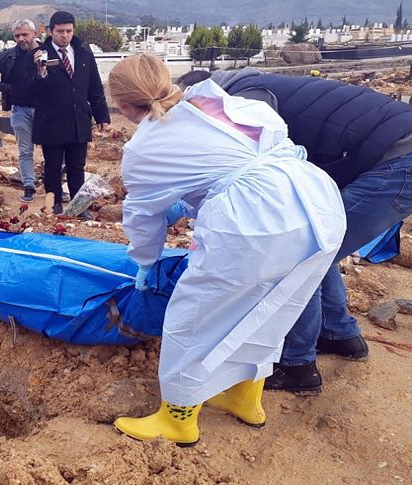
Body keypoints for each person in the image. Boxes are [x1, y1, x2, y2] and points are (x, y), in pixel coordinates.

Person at [109, 54, 346, 446]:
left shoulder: (145, 144)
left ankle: (178, 419)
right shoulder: (220, 101)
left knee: (194, 315)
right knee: (273, 306)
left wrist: (145, 262)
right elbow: (236, 158)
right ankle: (244, 398)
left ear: (121, 103)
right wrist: (191, 202)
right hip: (315, 203)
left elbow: (141, 215)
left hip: (255, 221)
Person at [176, 68, 412, 394]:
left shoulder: (241, 100)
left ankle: (297, 364)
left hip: (397, 159)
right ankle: (338, 334)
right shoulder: (250, 88)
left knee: (300, 255)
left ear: (200, 93)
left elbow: (258, 170)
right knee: (320, 242)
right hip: (390, 152)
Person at [31, 11, 110, 215]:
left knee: (77, 167)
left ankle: (78, 207)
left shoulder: (83, 51)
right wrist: (41, 72)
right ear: (51, 31)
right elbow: (32, 91)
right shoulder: (40, 54)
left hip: (78, 119)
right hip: (52, 122)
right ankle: (54, 204)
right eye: (60, 31)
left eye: (68, 31)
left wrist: (102, 116)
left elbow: (94, 86)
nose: (65, 35)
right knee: (53, 166)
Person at [0, 19, 41, 201]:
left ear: (35, 33)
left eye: (25, 34)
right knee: (24, 150)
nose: (21, 39)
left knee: (52, 149)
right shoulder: (8, 55)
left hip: (46, 108)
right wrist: (7, 89)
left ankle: (54, 185)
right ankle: (29, 185)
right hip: (20, 109)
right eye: (17, 35)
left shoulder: (48, 51)